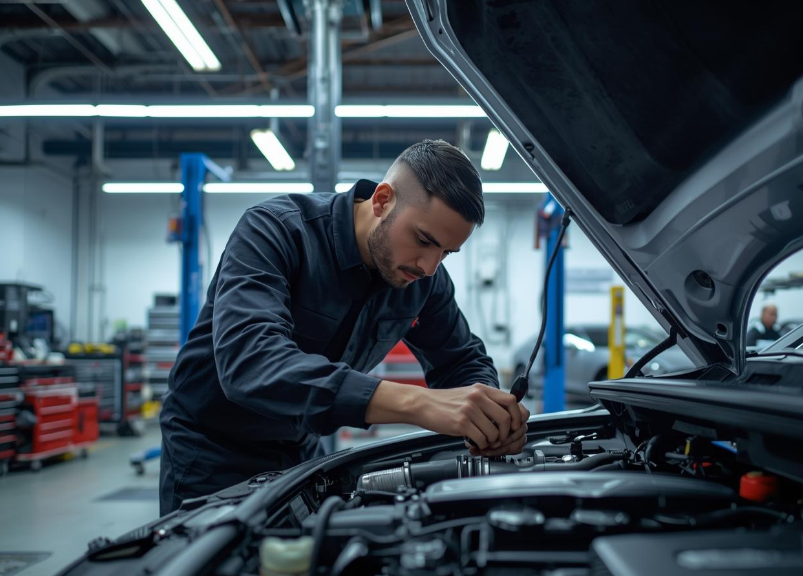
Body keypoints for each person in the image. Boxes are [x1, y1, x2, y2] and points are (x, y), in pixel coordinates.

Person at [158, 140, 528, 515]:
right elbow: (250, 362)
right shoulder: (276, 231)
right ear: (382, 201)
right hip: (209, 450)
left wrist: (488, 415)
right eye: (423, 240)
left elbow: (460, 359)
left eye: (446, 253)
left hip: (300, 449)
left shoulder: (423, 277)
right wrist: (416, 403)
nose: (429, 266)